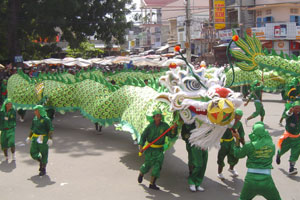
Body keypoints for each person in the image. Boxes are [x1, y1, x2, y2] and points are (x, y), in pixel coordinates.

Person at [233, 122, 281, 200]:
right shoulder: (271, 145)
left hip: (250, 180)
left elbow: (237, 154)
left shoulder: (249, 145)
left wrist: (237, 140)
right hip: (267, 181)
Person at [137, 110, 177, 190]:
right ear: (154, 117)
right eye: (157, 115)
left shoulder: (165, 126)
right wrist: (141, 146)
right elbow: (143, 136)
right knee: (147, 165)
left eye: (160, 115)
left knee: (157, 166)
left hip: (159, 150)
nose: (159, 117)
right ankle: (141, 173)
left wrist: (173, 129)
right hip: (150, 149)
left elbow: (171, 136)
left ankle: (152, 183)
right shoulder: (150, 127)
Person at [217, 109, 245, 180]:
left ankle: (231, 169)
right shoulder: (226, 121)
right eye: (236, 117)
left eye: (239, 118)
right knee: (221, 157)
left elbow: (241, 135)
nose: (237, 119)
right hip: (223, 142)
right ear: (233, 115)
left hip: (231, 141)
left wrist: (245, 146)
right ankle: (220, 173)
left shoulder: (239, 124)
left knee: (235, 155)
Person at [26, 105, 53, 176]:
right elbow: (32, 129)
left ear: (40, 111)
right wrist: (29, 137)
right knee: (33, 153)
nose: (34, 112)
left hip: (43, 137)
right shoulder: (34, 119)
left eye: (36, 110)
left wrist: (50, 138)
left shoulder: (46, 119)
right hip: (35, 137)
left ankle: (43, 169)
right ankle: (41, 161)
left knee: (44, 153)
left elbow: (50, 130)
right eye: (34, 110)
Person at [181, 122, 207, 192]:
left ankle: (197, 183)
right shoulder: (187, 124)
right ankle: (192, 181)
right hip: (193, 144)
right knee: (197, 164)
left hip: (204, 145)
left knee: (203, 165)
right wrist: (193, 138)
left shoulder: (205, 121)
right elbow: (184, 136)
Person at [276, 100, 300, 175]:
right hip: (288, 137)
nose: (297, 110)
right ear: (292, 108)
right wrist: (289, 112)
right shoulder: (290, 115)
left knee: (295, 153)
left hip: (297, 138)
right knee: (283, 149)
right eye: (296, 108)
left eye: (299, 108)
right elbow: (286, 115)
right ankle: (279, 154)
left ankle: (291, 168)